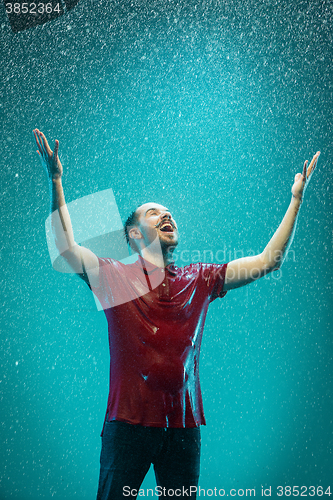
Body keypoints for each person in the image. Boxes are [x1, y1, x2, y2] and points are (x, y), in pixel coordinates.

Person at [33, 128, 320, 499]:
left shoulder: (199, 278)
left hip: (184, 429)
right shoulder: (114, 276)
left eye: (169, 214)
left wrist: (296, 199)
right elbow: (66, 249)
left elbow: (268, 261)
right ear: (134, 234)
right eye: (154, 214)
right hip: (127, 427)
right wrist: (55, 181)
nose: (166, 217)